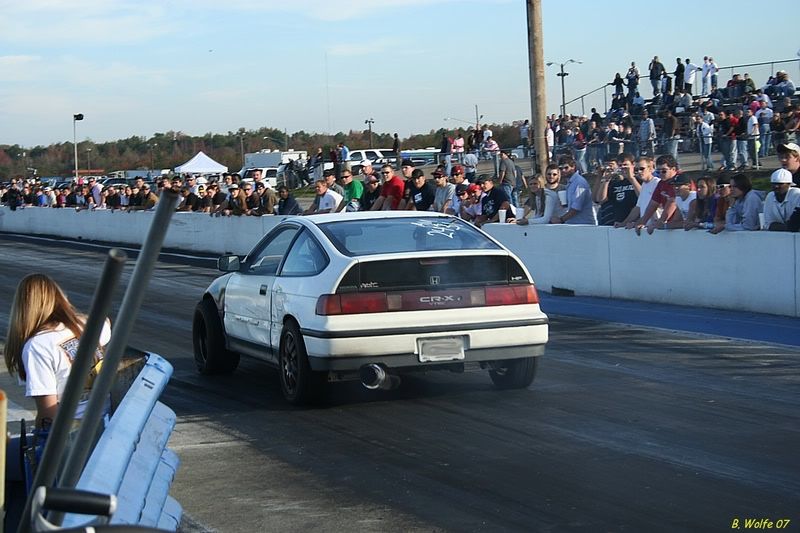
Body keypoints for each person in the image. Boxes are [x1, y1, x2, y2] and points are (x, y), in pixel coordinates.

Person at [4, 274, 111, 429]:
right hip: (107, 415)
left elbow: (49, 414)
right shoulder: (85, 323)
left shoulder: (37, 346)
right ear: (58, 298)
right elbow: (106, 322)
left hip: (73, 430)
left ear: (23, 308)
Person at [634, 154, 678, 234]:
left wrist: (660, 222)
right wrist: (642, 222)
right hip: (670, 225)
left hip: (682, 222)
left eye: (664, 171)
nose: (660, 174)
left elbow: (673, 202)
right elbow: (653, 204)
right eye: (658, 171)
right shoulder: (661, 183)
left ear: (673, 169)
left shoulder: (680, 181)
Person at [595, 153, 639, 227]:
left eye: (625, 165)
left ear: (633, 164)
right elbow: (600, 200)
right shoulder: (617, 183)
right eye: (620, 165)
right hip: (617, 223)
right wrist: (606, 179)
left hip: (633, 223)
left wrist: (631, 178)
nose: (623, 168)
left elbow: (643, 197)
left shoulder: (639, 180)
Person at [549, 156, 596, 225]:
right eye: (561, 168)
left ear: (573, 166)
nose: (563, 170)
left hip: (584, 224)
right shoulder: (571, 182)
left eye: (566, 167)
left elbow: (576, 208)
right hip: (574, 224)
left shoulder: (579, 182)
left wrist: (561, 219)